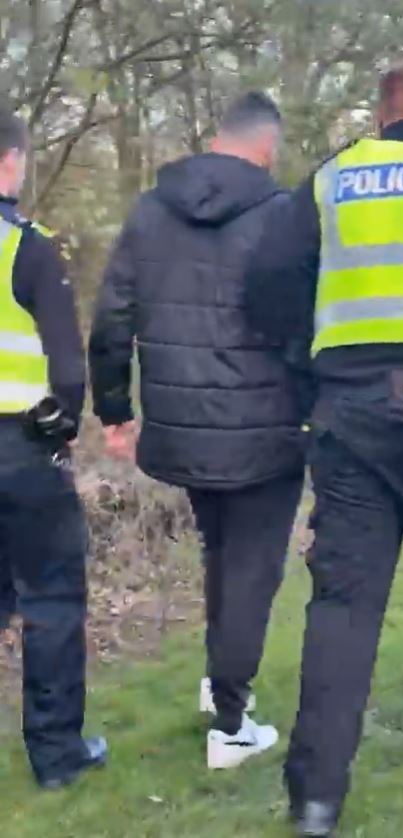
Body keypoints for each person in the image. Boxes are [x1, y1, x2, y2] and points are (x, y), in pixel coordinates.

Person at [246, 56, 403, 836]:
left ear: (381, 113)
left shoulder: (330, 178)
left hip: (346, 410)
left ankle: (316, 799)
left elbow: (267, 285)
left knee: (344, 605)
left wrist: (307, 359)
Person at [89, 92, 305, 770]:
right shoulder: (284, 216)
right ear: (267, 146)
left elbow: (110, 318)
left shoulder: (151, 211)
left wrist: (116, 413)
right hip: (265, 434)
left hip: (182, 432)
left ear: (217, 137)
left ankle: (219, 686)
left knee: (220, 556)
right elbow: (305, 327)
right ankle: (233, 727)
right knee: (251, 572)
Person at [0, 108, 106, 788]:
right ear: (10, 160)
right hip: (20, 451)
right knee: (51, 601)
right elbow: (69, 370)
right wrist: (63, 427)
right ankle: (57, 755)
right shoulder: (30, 248)